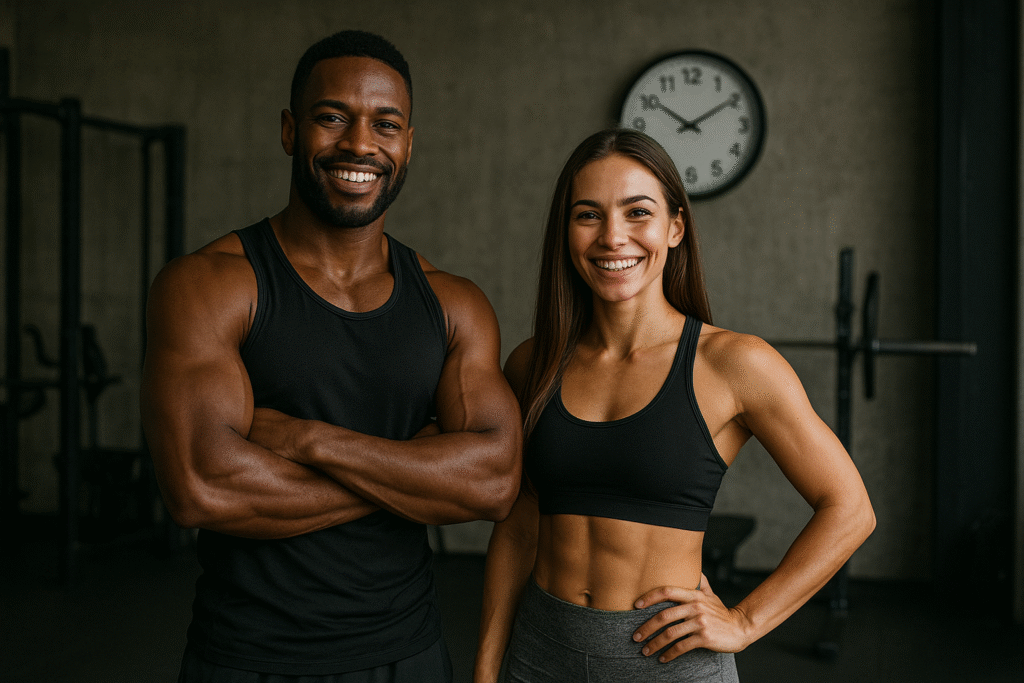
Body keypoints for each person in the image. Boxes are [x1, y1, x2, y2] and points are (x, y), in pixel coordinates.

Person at [141, 30, 521, 683]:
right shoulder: (209, 286)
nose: (359, 144)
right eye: (332, 116)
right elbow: (202, 488)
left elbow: (491, 482)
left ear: (408, 145)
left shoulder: (453, 303)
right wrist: (418, 469)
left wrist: (304, 438)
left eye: (386, 124)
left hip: (411, 655)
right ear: (290, 130)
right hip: (249, 658)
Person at [473, 128, 875, 682]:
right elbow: (518, 530)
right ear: (565, 232)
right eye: (587, 215)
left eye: (638, 212)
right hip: (541, 651)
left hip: (665, 664)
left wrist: (745, 621)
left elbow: (849, 508)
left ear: (675, 227)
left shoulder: (734, 364)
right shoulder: (532, 364)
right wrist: (487, 669)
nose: (613, 237)